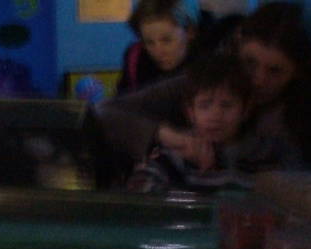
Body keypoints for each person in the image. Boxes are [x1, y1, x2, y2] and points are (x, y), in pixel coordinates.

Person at [96, 0, 311, 183]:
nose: (257, 79)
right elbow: (104, 113)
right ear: (238, 46)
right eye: (250, 63)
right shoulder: (215, 79)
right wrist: (169, 135)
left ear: (301, 70)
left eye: (275, 71)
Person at [125, 52, 295, 193]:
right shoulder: (175, 154)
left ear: (245, 110)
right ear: (191, 112)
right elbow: (140, 192)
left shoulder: (266, 153)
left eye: (226, 105)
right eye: (205, 105)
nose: (215, 115)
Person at [117, 0, 200, 94]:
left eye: (166, 40)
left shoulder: (213, 63)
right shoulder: (136, 60)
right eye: (149, 42)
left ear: (190, 32)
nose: (158, 52)